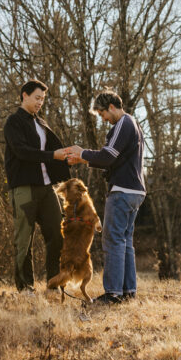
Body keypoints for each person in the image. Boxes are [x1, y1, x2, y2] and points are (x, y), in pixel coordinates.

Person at [65, 89, 146, 304]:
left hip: (122, 191)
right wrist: (84, 159)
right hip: (136, 191)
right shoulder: (133, 124)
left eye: (102, 114)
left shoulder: (123, 123)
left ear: (111, 107)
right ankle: (128, 291)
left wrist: (82, 153)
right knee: (125, 241)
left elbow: (108, 156)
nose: (103, 119)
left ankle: (113, 294)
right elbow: (113, 159)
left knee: (112, 240)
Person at [3, 79, 73, 293]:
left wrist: (64, 158)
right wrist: (53, 155)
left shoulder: (41, 123)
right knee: (24, 239)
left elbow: (52, 152)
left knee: (56, 234)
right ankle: (25, 289)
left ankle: (54, 284)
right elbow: (22, 151)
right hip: (24, 187)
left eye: (43, 99)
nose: (40, 102)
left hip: (46, 188)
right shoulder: (13, 122)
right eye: (37, 98)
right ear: (24, 95)